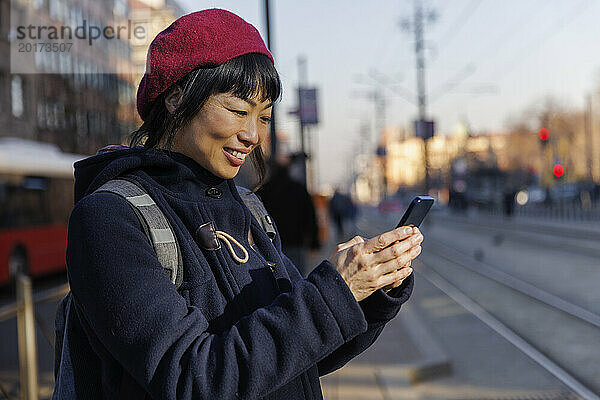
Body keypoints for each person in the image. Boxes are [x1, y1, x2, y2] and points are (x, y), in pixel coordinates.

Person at [53, 9, 424, 399]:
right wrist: (334, 292)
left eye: (264, 117)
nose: (252, 135)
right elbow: (193, 379)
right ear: (176, 97)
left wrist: (369, 290)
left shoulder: (248, 209)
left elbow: (298, 355)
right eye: (238, 110)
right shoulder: (110, 218)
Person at [257, 159, 320, 276]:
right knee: (297, 280)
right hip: (296, 242)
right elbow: (310, 216)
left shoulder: (265, 190)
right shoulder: (298, 189)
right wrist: (314, 243)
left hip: (272, 244)